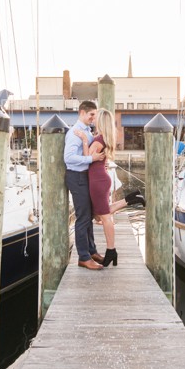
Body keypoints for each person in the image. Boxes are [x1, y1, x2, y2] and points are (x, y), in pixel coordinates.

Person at [75, 108, 139, 267]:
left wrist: (84, 139)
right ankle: (131, 199)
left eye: (96, 118)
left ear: (101, 121)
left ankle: (111, 250)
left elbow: (86, 158)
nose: (94, 119)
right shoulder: (104, 138)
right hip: (101, 180)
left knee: (103, 217)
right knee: (99, 215)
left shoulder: (98, 140)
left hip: (97, 181)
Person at [64, 101, 105, 270]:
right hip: (76, 176)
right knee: (82, 217)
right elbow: (69, 158)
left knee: (88, 216)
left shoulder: (86, 131)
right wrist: (92, 159)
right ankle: (83, 257)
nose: (93, 118)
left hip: (84, 176)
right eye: (91, 115)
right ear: (82, 112)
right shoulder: (75, 133)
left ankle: (91, 250)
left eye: (94, 115)